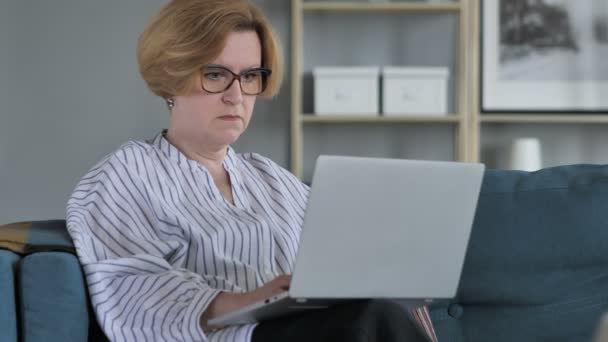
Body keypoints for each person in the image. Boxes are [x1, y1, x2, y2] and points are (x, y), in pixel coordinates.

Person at [66, 0, 437, 341]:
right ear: (171, 78)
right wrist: (247, 300)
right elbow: (131, 292)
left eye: (249, 76)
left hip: (314, 330)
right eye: (215, 75)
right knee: (368, 320)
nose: (236, 96)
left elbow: (339, 262)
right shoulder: (128, 173)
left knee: (382, 308)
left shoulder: (270, 178)